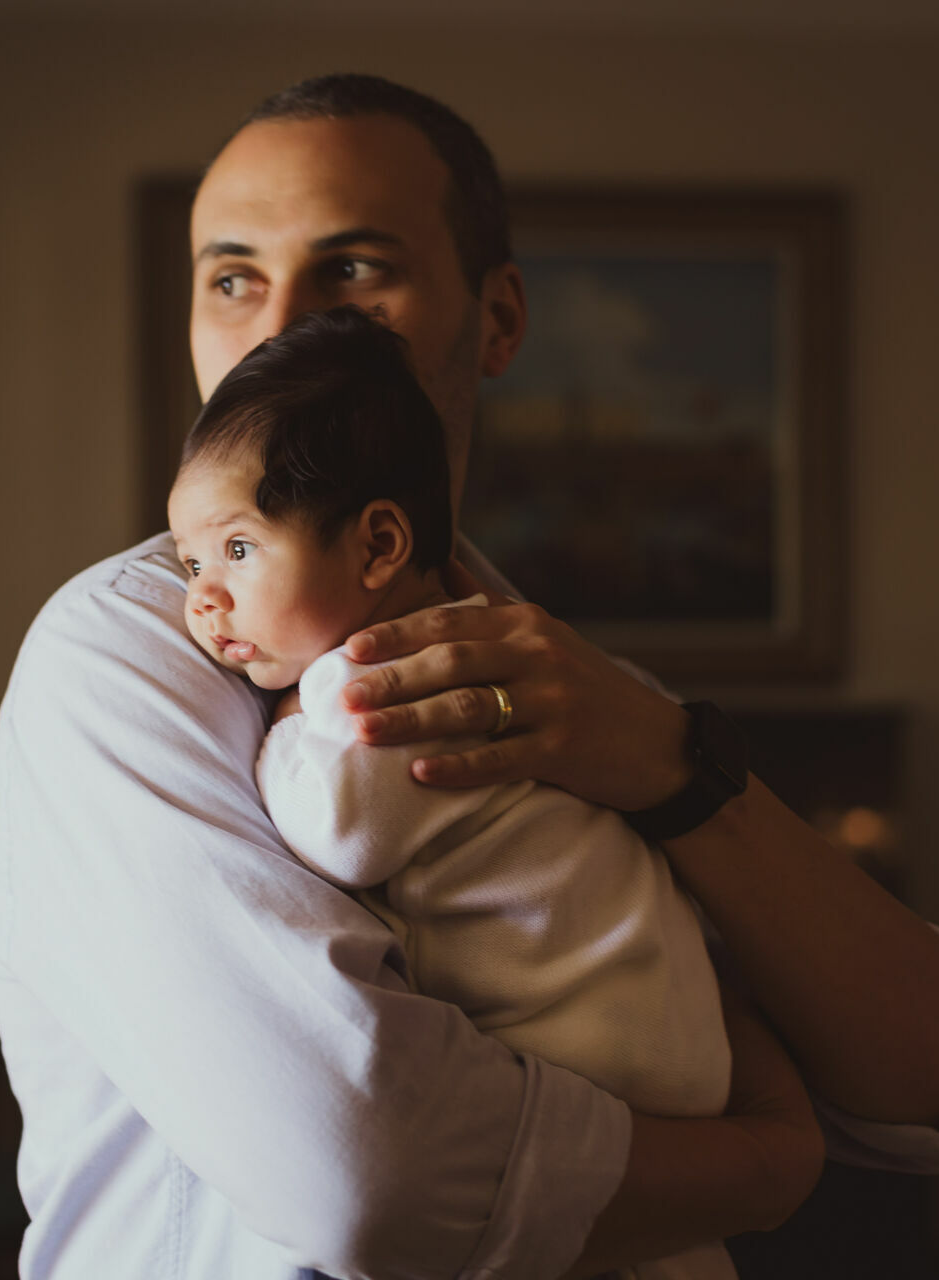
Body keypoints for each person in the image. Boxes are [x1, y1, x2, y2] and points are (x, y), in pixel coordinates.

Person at [0, 73, 939, 1280]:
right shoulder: (125, 657)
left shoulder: (590, 698)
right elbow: (369, 1174)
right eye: (233, 279)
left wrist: (680, 769)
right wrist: (760, 1162)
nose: (286, 326)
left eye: (355, 267)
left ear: (498, 317)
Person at [172, 305, 739, 1280]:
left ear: (378, 546)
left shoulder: (390, 678)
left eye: (238, 549)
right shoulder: (491, 640)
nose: (202, 596)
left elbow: (338, 831)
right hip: (650, 1047)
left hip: (595, 1057)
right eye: (188, 561)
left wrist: (280, 732)